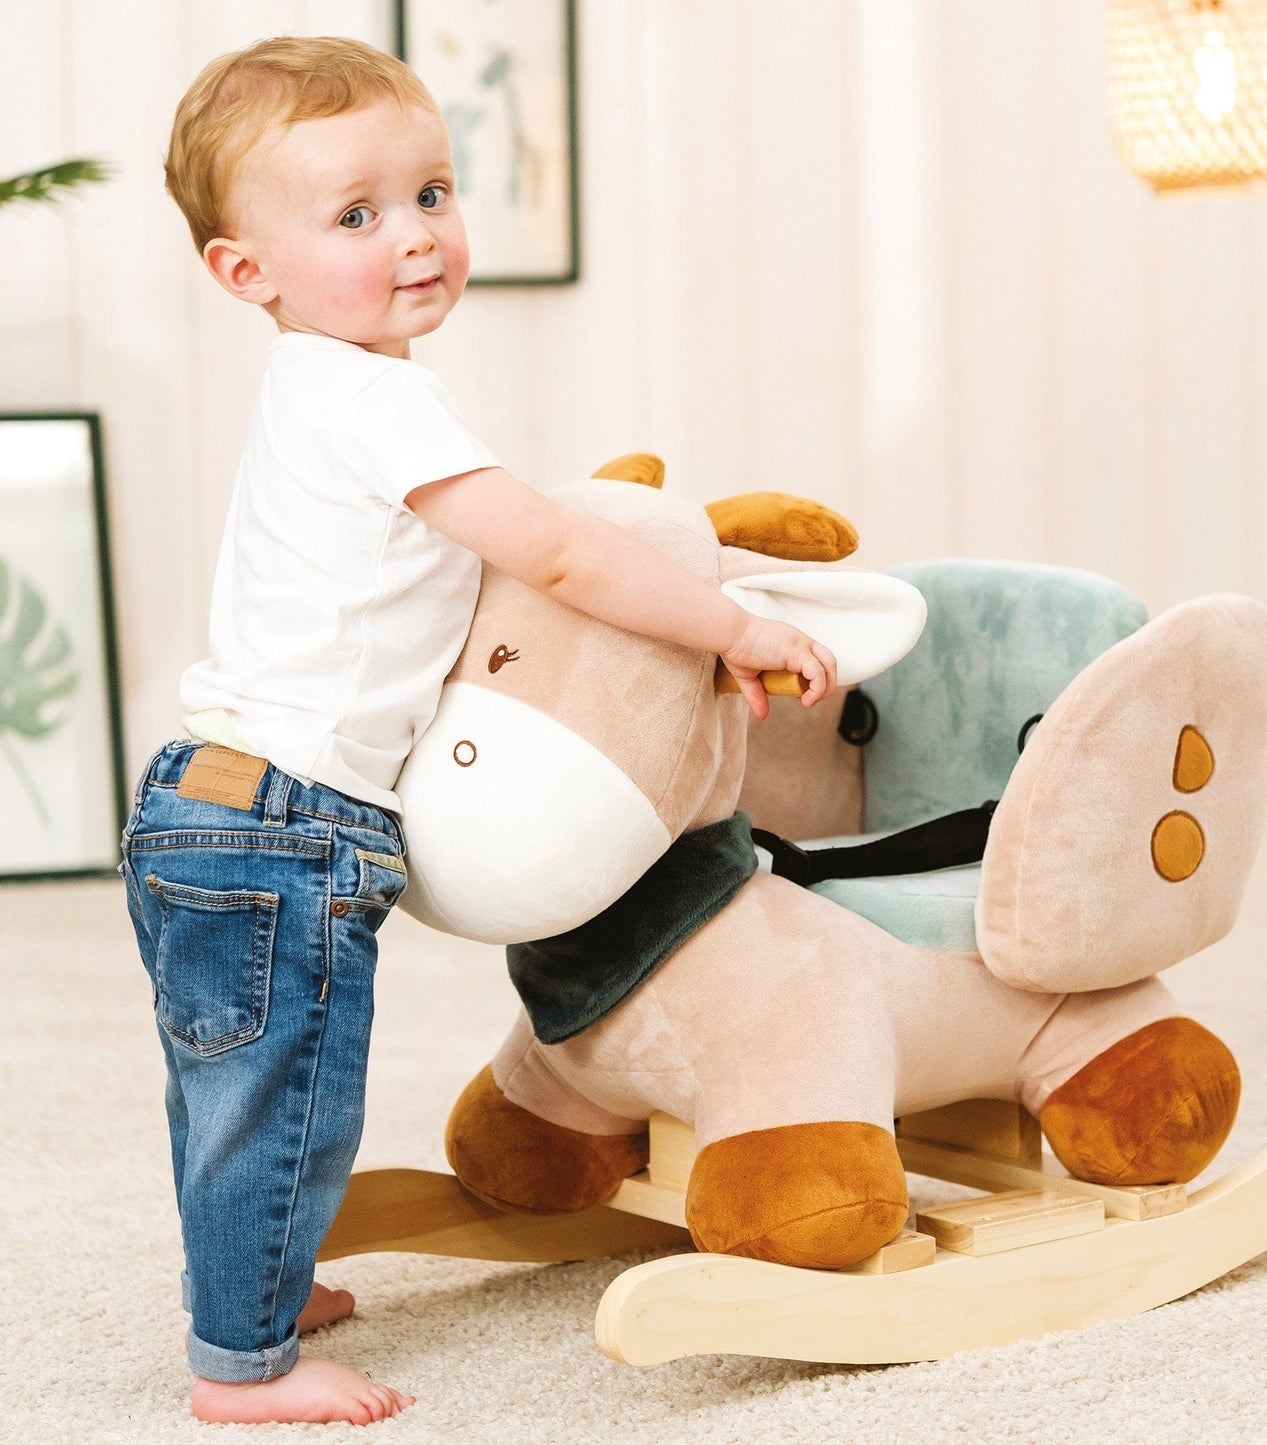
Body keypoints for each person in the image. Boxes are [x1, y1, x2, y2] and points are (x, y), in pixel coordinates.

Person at [120, 34, 837, 1427]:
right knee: (291, 1088)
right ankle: (243, 1368)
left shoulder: (311, 391)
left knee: (225, 1075)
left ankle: (250, 1278)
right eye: (354, 215)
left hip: (196, 797)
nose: (413, 238)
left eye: (431, 193)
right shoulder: (378, 398)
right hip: (289, 816)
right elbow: (558, 555)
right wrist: (726, 623)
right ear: (243, 271)